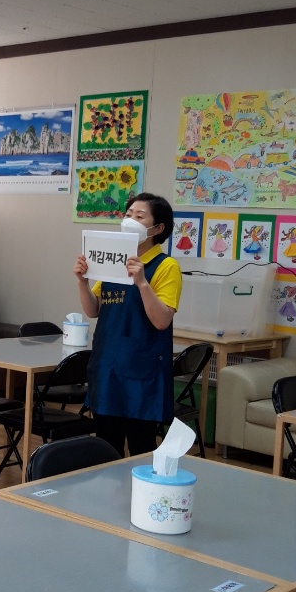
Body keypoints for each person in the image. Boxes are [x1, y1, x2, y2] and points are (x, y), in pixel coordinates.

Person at [73, 192, 182, 457]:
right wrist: (82, 282)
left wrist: (142, 282)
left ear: (158, 228)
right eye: (128, 214)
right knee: (106, 447)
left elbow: (161, 320)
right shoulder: (114, 258)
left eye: (140, 216)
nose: (130, 220)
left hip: (141, 371)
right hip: (108, 368)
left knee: (141, 447)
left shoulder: (166, 266)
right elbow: (93, 310)